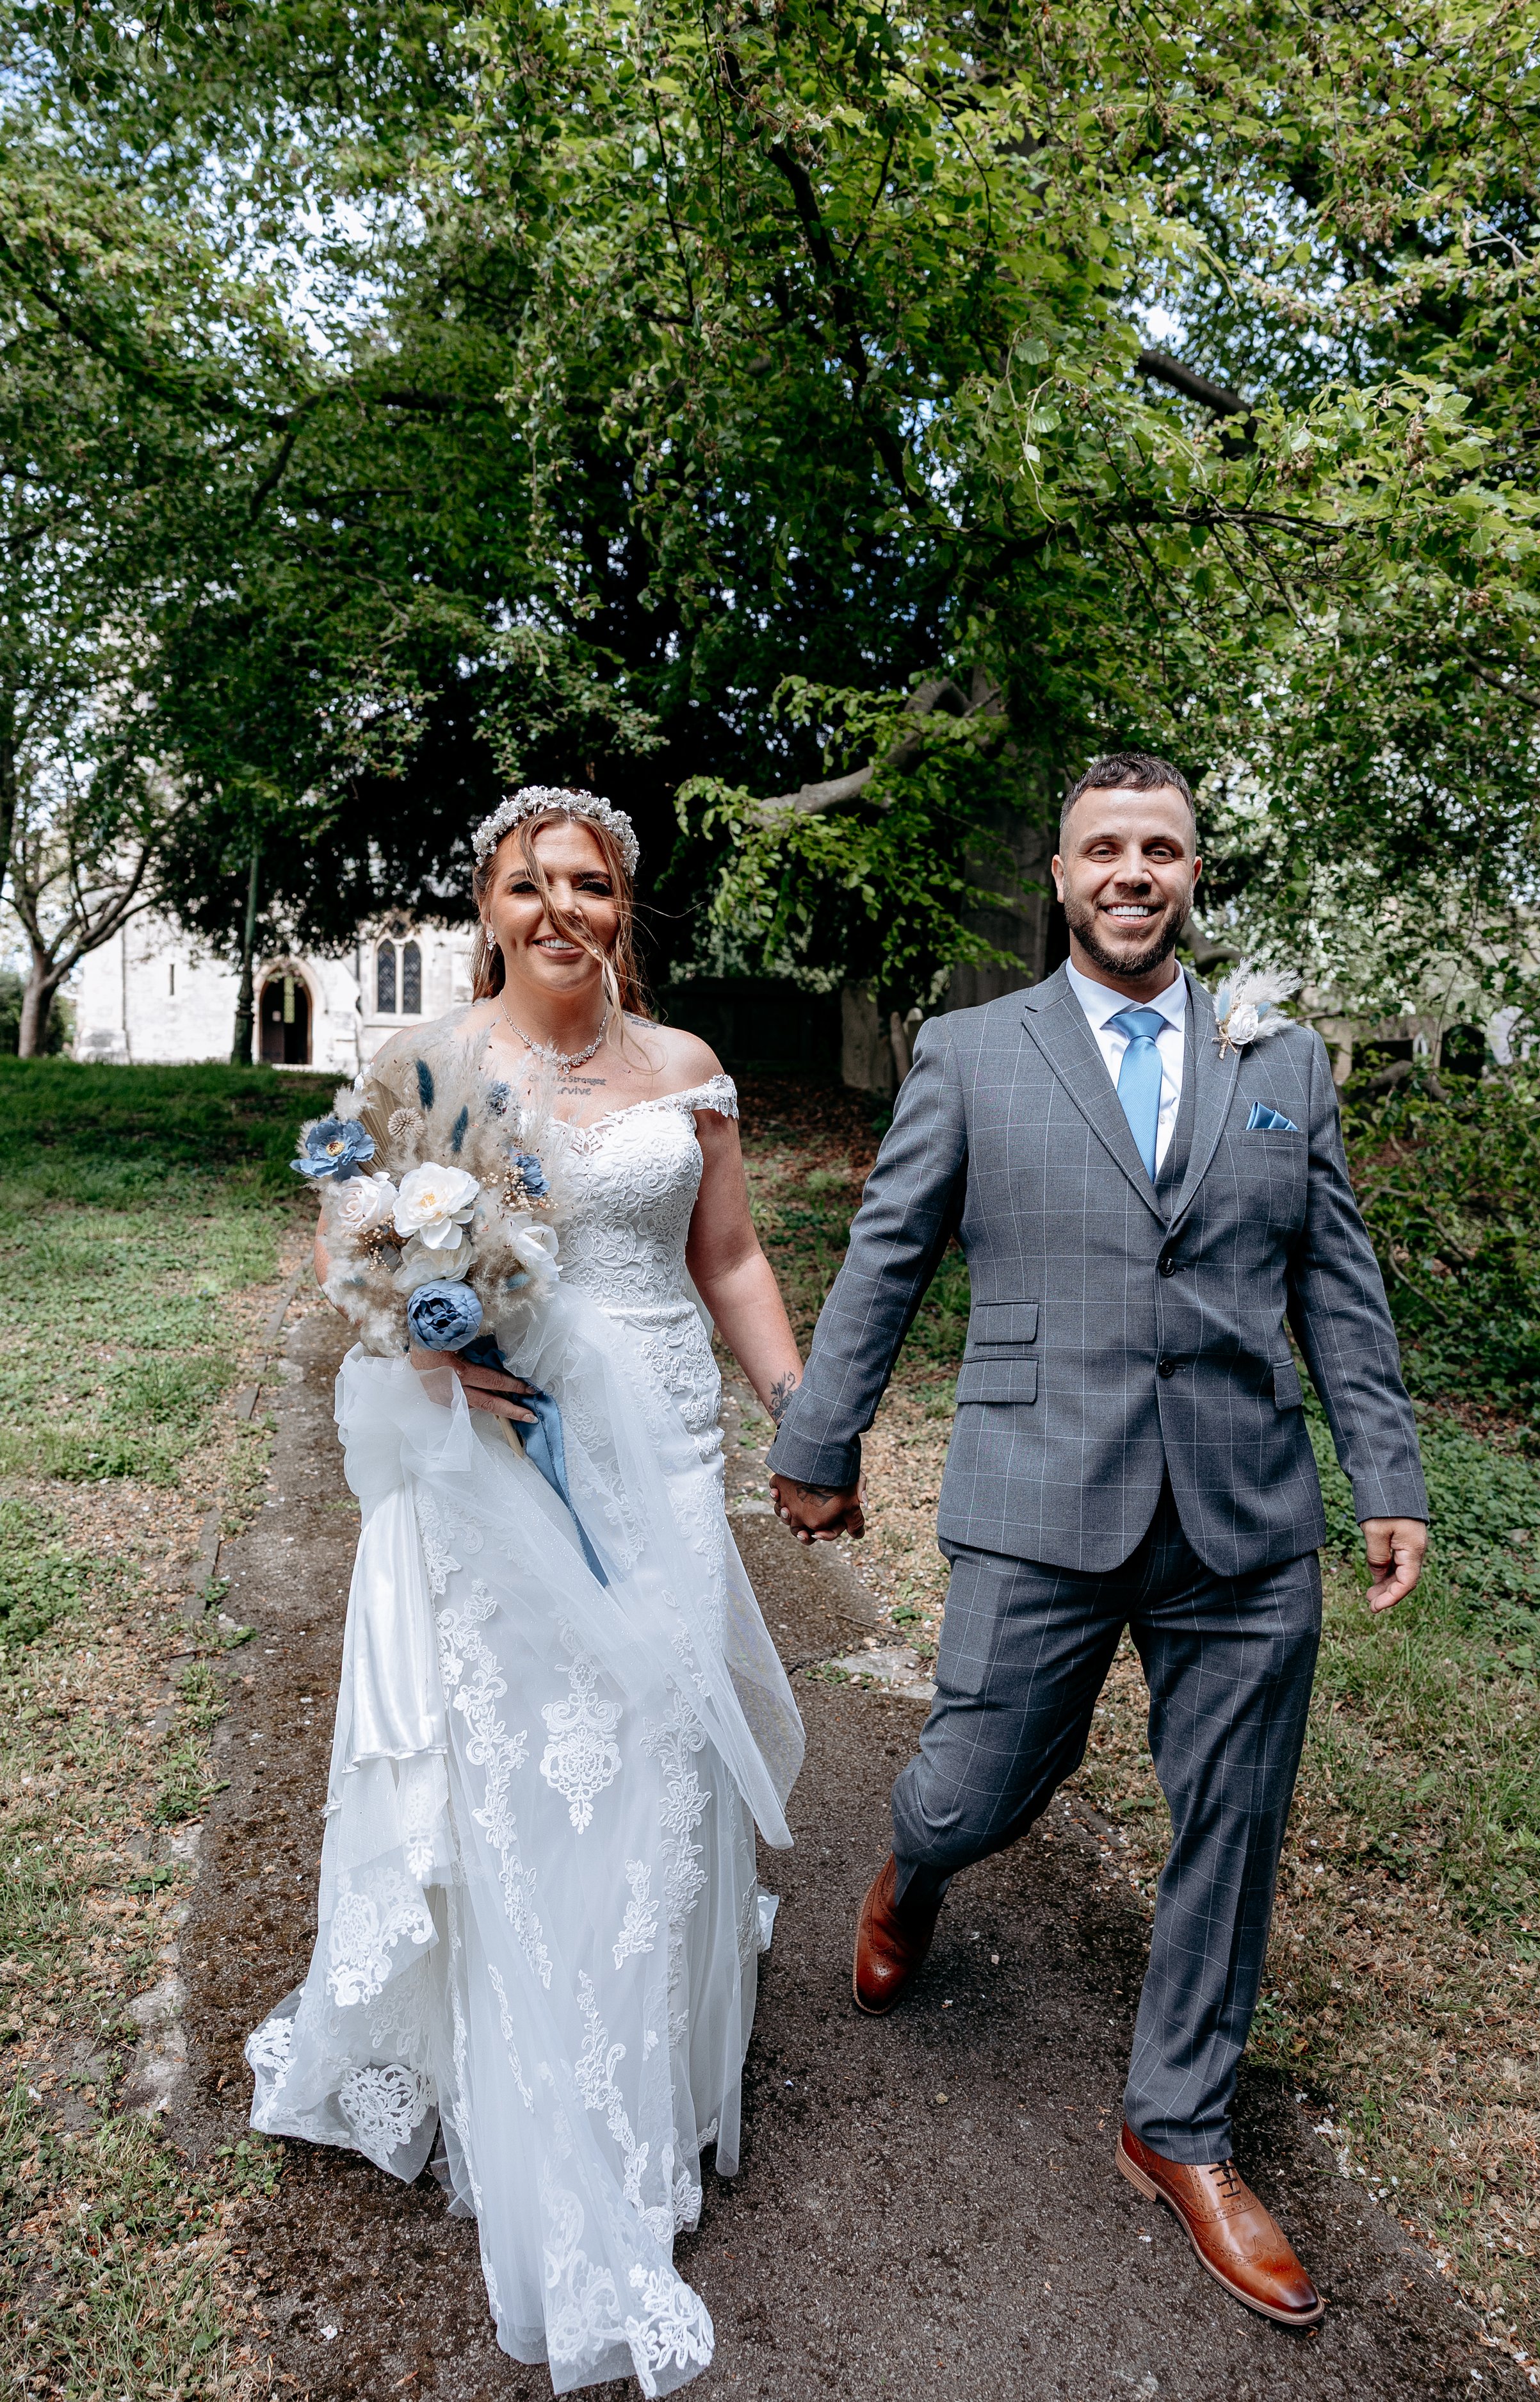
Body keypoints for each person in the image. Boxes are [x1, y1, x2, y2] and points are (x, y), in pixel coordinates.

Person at [767, 751, 1428, 2329]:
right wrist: (818, 1438)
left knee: (1234, 1820)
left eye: (1162, 849)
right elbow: (888, 1253)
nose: (1132, 873)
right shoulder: (970, 1051)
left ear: (1195, 872)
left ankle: (1175, 2122)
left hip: (1243, 1516)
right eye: (1101, 850)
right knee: (980, 1777)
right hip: (1037, 1493)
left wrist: (1382, 1472)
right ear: (1058, 878)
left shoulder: (1279, 1059)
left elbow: (1331, 1282)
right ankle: (915, 1866)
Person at [247, 788, 806, 2396]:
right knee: (518, 1766)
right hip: (496, 1456)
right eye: (529, 884)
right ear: (487, 902)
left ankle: (635, 2080)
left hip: (663, 1451)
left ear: (626, 907)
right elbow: (349, 1266)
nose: (562, 909)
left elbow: (727, 1264)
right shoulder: (420, 1065)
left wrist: (799, 1411)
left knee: (647, 1763)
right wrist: (426, 1349)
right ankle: (527, 2080)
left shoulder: (686, 1070)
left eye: (592, 885)